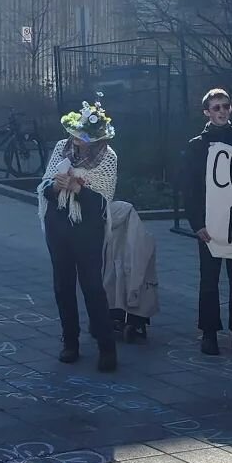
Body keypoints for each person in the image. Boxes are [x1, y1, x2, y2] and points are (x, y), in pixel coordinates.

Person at [38, 98, 118, 372]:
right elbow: (44, 187)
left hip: (88, 229)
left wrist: (79, 189)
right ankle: (69, 341)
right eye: (75, 134)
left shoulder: (108, 157)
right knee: (62, 285)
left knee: (93, 287)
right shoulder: (61, 148)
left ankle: (106, 346)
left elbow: (103, 201)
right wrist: (56, 185)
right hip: (58, 225)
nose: (77, 140)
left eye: (84, 136)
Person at [184, 88, 232, 357]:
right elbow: (189, 189)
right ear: (206, 112)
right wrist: (197, 224)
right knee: (209, 281)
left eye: (225, 106)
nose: (222, 111)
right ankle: (209, 333)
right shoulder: (197, 146)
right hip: (210, 224)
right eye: (216, 107)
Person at [103, 200, 159, 343]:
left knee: (113, 281)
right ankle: (134, 321)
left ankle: (111, 315)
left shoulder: (103, 218)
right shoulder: (130, 216)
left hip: (111, 265)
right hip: (128, 263)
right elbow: (142, 247)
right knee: (133, 277)